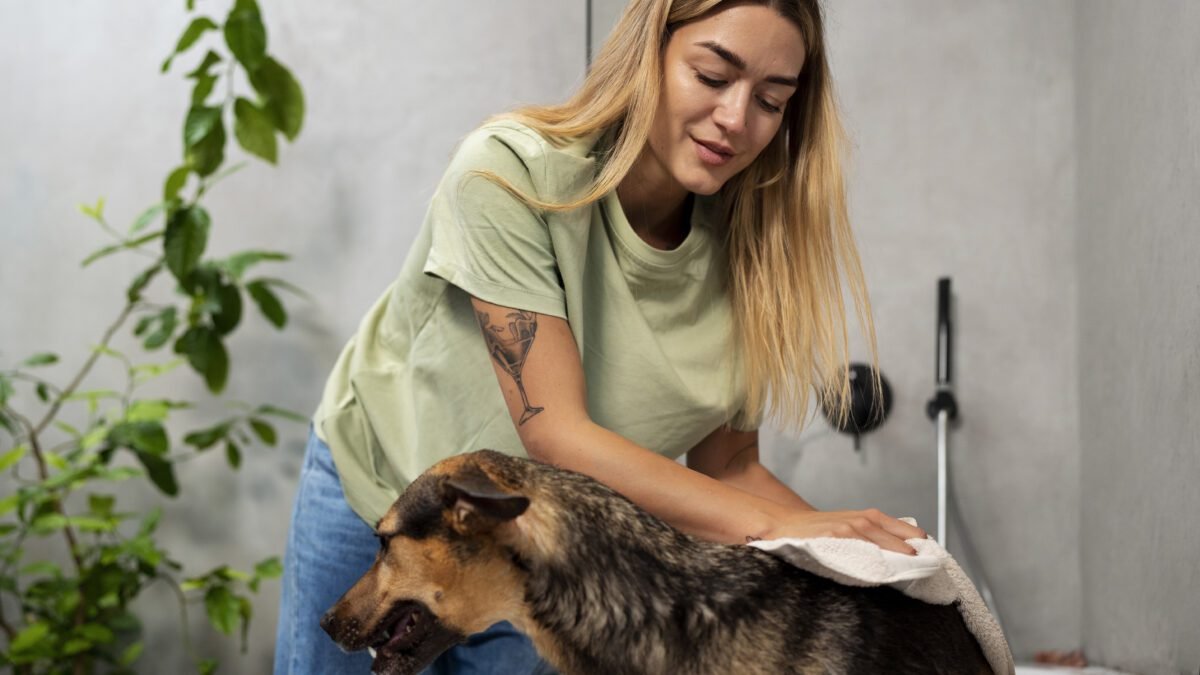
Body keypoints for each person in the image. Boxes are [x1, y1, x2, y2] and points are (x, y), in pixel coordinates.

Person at [273, 0, 927, 673]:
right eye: (711, 76)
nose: (736, 119)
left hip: (540, 555)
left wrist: (863, 557)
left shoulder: (752, 255)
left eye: (770, 98)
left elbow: (729, 466)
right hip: (377, 496)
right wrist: (778, 528)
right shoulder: (508, 174)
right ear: (651, 54)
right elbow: (557, 433)